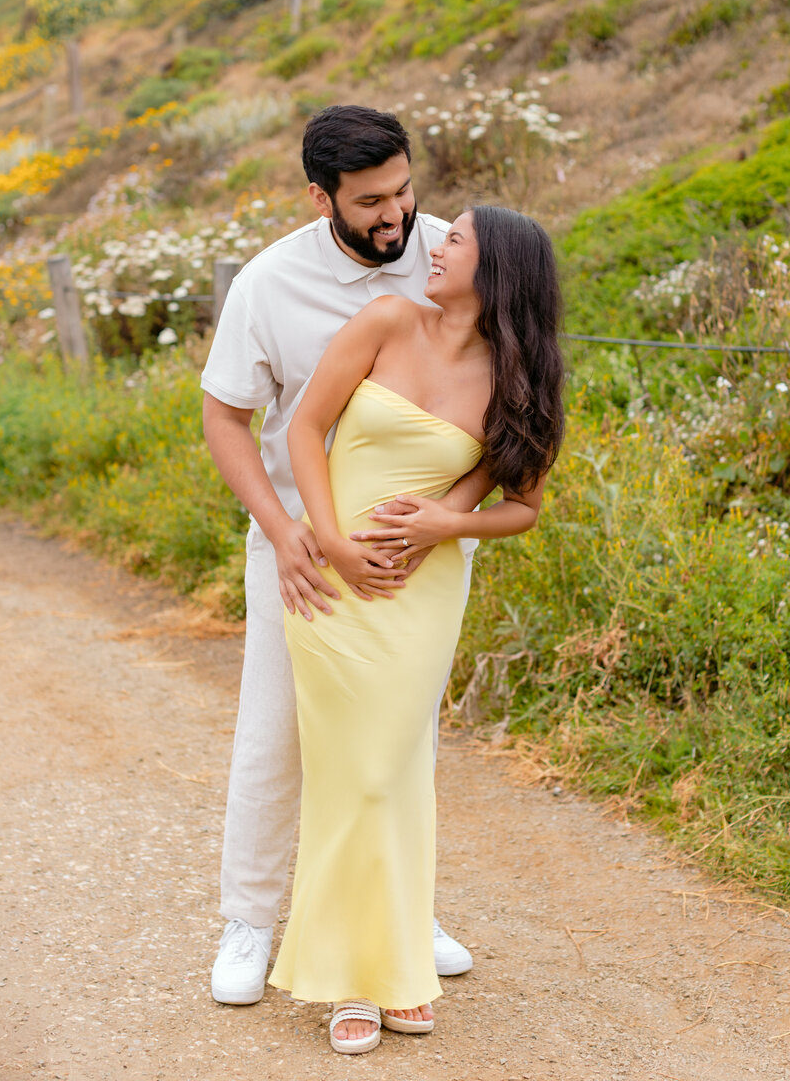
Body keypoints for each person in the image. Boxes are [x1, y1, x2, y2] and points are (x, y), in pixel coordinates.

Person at [201, 105, 488, 1010]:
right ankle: (249, 918)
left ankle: (401, 918)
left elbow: (506, 388)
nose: (397, 215)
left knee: (402, 734)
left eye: (404, 189)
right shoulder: (269, 283)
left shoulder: (447, 247)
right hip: (294, 543)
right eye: (370, 202)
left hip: (416, 548)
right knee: (276, 732)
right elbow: (227, 419)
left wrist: (444, 517)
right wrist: (288, 535)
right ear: (321, 195)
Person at [268, 204, 565, 1054]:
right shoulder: (388, 320)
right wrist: (328, 542)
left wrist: (443, 528)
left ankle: (392, 966)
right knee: (353, 776)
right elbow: (305, 428)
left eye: (458, 239)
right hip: (332, 588)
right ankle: (353, 979)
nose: (435, 244)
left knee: (394, 770)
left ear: (499, 269)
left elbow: (522, 508)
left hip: (419, 594)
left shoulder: (522, 378)